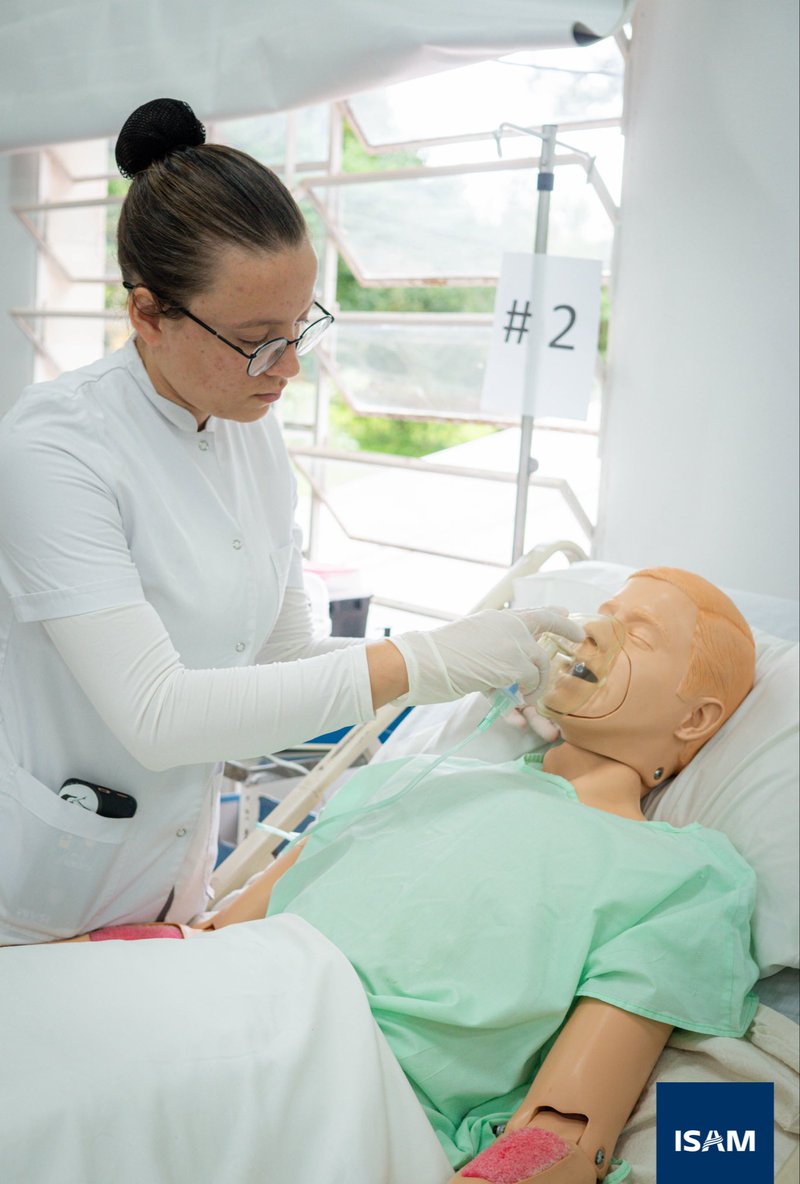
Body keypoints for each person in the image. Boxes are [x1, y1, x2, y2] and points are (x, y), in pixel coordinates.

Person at [0, 97, 580, 946]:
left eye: (301, 326)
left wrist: (471, 660)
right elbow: (159, 715)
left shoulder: (247, 427)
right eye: (257, 339)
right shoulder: (53, 450)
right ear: (148, 314)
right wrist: (422, 662)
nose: (291, 367)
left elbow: (285, 661)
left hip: (166, 878)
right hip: (43, 885)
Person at [235, 566, 759, 1184]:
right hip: (224, 992)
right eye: (604, 616)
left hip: (329, 1083)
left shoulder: (685, 876)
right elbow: (216, 930)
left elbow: (562, 1137)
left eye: (638, 637)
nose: (592, 637)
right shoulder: (420, 775)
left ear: (695, 720)